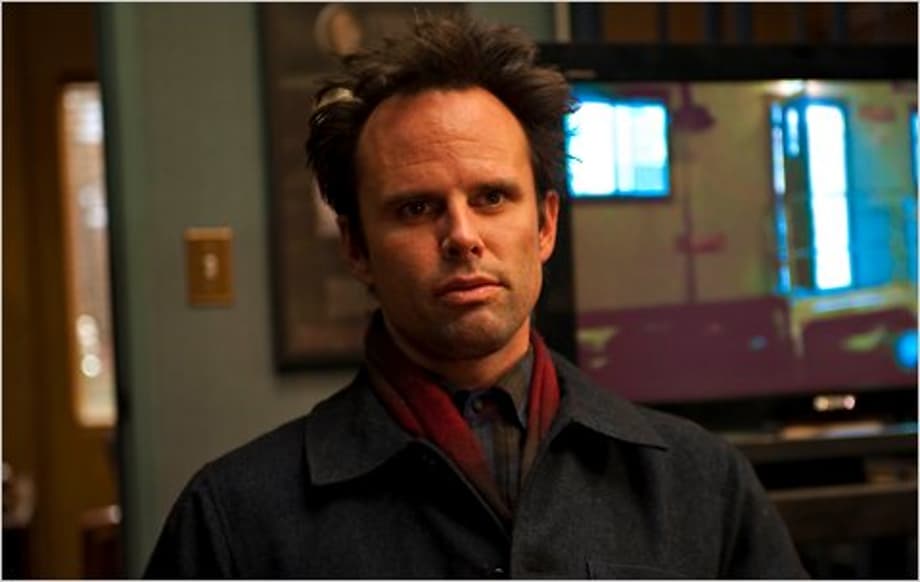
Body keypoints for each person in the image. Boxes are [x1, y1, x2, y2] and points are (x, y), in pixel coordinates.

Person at [145, 14, 807, 579]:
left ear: (545, 224)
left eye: (491, 197)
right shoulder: (234, 521)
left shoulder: (700, 485)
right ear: (357, 248)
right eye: (415, 208)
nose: (462, 236)